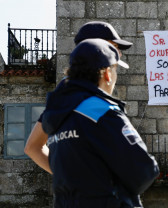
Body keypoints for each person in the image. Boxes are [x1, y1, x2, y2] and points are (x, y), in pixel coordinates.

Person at [40, 38, 159, 208]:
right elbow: (145, 171)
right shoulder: (102, 110)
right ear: (107, 74)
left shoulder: (57, 117)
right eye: (115, 70)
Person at [24, 21, 132, 174]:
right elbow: (33, 147)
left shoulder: (66, 91)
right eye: (114, 47)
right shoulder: (75, 91)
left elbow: (32, 147)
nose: (119, 53)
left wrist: (70, 178)